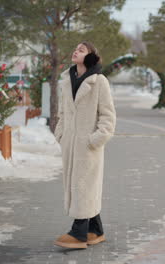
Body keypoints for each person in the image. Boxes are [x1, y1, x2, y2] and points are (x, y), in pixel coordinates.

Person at [53, 41, 116, 249]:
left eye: (81, 50)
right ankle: (95, 230)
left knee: (84, 185)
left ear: (90, 56)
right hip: (70, 144)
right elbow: (63, 112)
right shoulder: (66, 80)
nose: (75, 51)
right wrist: (61, 134)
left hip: (88, 146)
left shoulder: (99, 82)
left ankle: (79, 232)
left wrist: (95, 140)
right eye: (75, 48)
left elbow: (108, 117)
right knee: (83, 186)